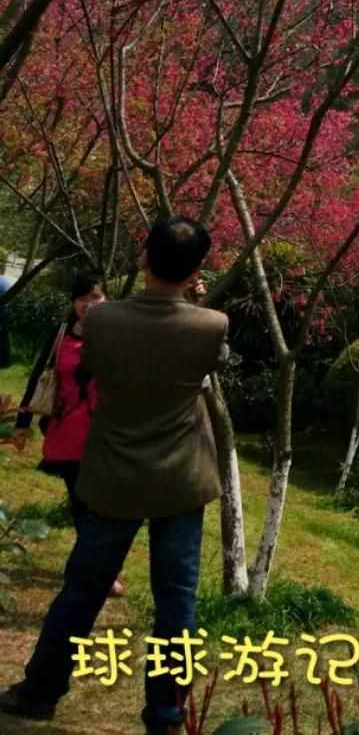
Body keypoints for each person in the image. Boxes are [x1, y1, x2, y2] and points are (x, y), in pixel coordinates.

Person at [1, 215, 229, 729]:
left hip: (111, 473)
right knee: (176, 602)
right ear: (197, 271)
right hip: (181, 476)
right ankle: (167, 711)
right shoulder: (212, 326)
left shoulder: (103, 321)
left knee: (81, 591)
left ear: (144, 257)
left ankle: (40, 691)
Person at [11, 272, 125, 599]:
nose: (88, 304)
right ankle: (97, 568)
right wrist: (23, 422)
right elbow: (39, 376)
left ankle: (103, 568)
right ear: (73, 302)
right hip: (67, 433)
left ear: (107, 301)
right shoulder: (61, 333)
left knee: (103, 504)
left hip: (105, 434)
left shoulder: (118, 335)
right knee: (80, 503)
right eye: (82, 298)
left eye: (96, 297)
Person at [0, 268, 10, 368]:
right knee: (4, 336)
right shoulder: (6, 280)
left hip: (1, 310)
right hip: (5, 310)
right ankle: (5, 360)